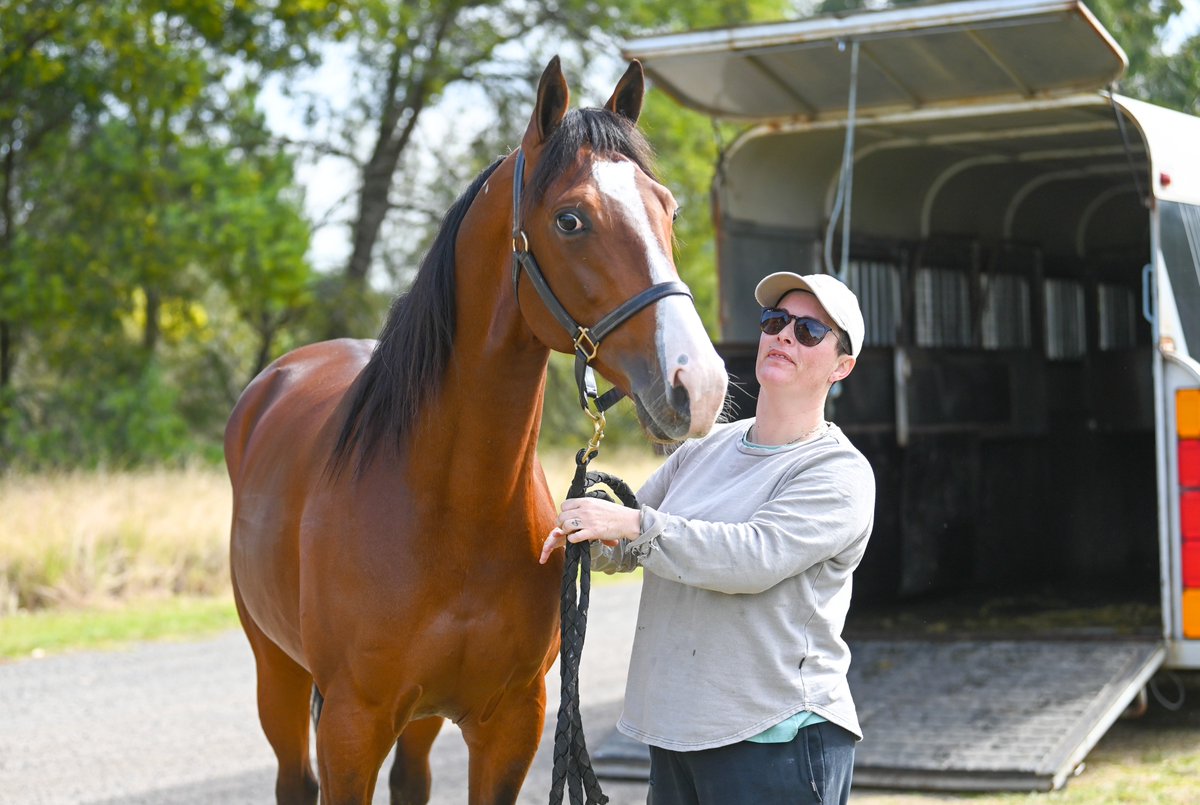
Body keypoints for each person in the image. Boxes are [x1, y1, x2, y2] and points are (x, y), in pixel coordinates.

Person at [539, 271, 876, 805]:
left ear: (842, 367)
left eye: (809, 331)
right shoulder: (704, 448)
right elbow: (626, 540)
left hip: (776, 738)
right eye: (776, 321)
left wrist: (630, 524)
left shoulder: (837, 472)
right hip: (679, 732)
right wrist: (581, 534)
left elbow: (750, 557)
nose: (785, 335)